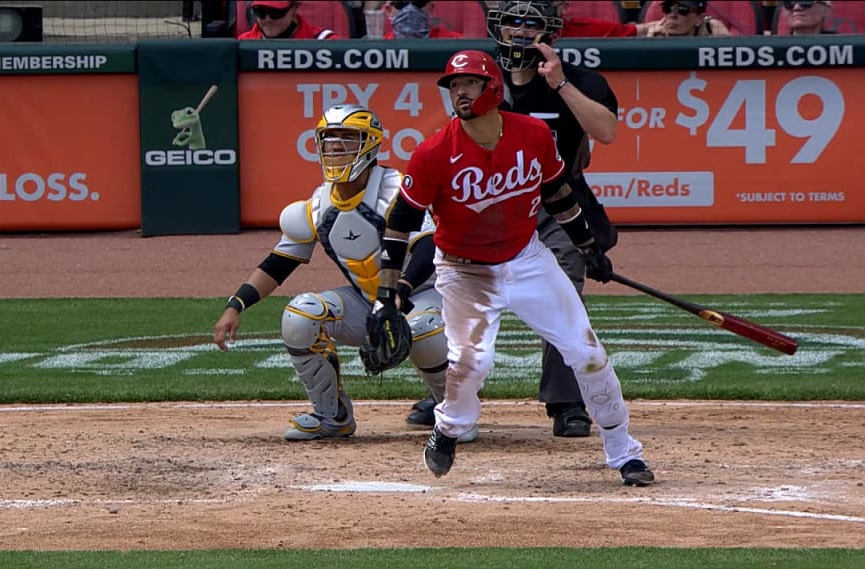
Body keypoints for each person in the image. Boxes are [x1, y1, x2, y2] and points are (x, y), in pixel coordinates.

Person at [373, 49, 655, 486]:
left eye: (468, 83)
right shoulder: (433, 152)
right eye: (453, 85)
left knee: (589, 354)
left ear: (493, 88)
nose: (459, 92)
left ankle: (623, 451)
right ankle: (447, 428)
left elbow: (558, 194)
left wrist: (587, 245)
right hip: (465, 273)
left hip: (528, 260)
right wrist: (385, 296)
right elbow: (400, 225)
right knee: (471, 363)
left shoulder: (534, 134)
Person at [213, 104, 478, 444]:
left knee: (423, 329)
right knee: (300, 315)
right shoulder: (318, 204)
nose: (336, 147)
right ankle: (331, 416)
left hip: (427, 293)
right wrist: (235, 306)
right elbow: (279, 263)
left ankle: (453, 414)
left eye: (348, 138)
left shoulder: (397, 189)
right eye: (329, 139)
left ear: (370, 145)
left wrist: (398, 293)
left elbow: (428, 246)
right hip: (368, 302)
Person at [494, 0, 620, 438]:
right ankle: (445, 393)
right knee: (460, 293)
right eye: (514, 22)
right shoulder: (481, 78)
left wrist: (560, 82)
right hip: (492, 205)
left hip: (559, 204)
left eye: (533, 24)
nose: (522, 32)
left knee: (563, 295)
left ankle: (566, 403)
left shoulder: (583, 81)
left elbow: (605, 132)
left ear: (551, 33)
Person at [237, 0, 340, 40]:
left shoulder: (324, 41)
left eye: (276, 12)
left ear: (294, 8)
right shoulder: (242, 43)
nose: (268, 19)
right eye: (260, 11)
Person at [643, 0, 731, 37]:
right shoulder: (656, 28)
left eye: (682, 10)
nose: (672, 15)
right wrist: (650, 42)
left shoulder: (712, 26)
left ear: (699, 19)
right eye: (668, 8)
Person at [381, 1, 463, 39]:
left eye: (418, 3)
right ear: (389, 10)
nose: (410, 10)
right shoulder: (380, 46)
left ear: (431, 9)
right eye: (401, 4)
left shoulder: (455, 41)